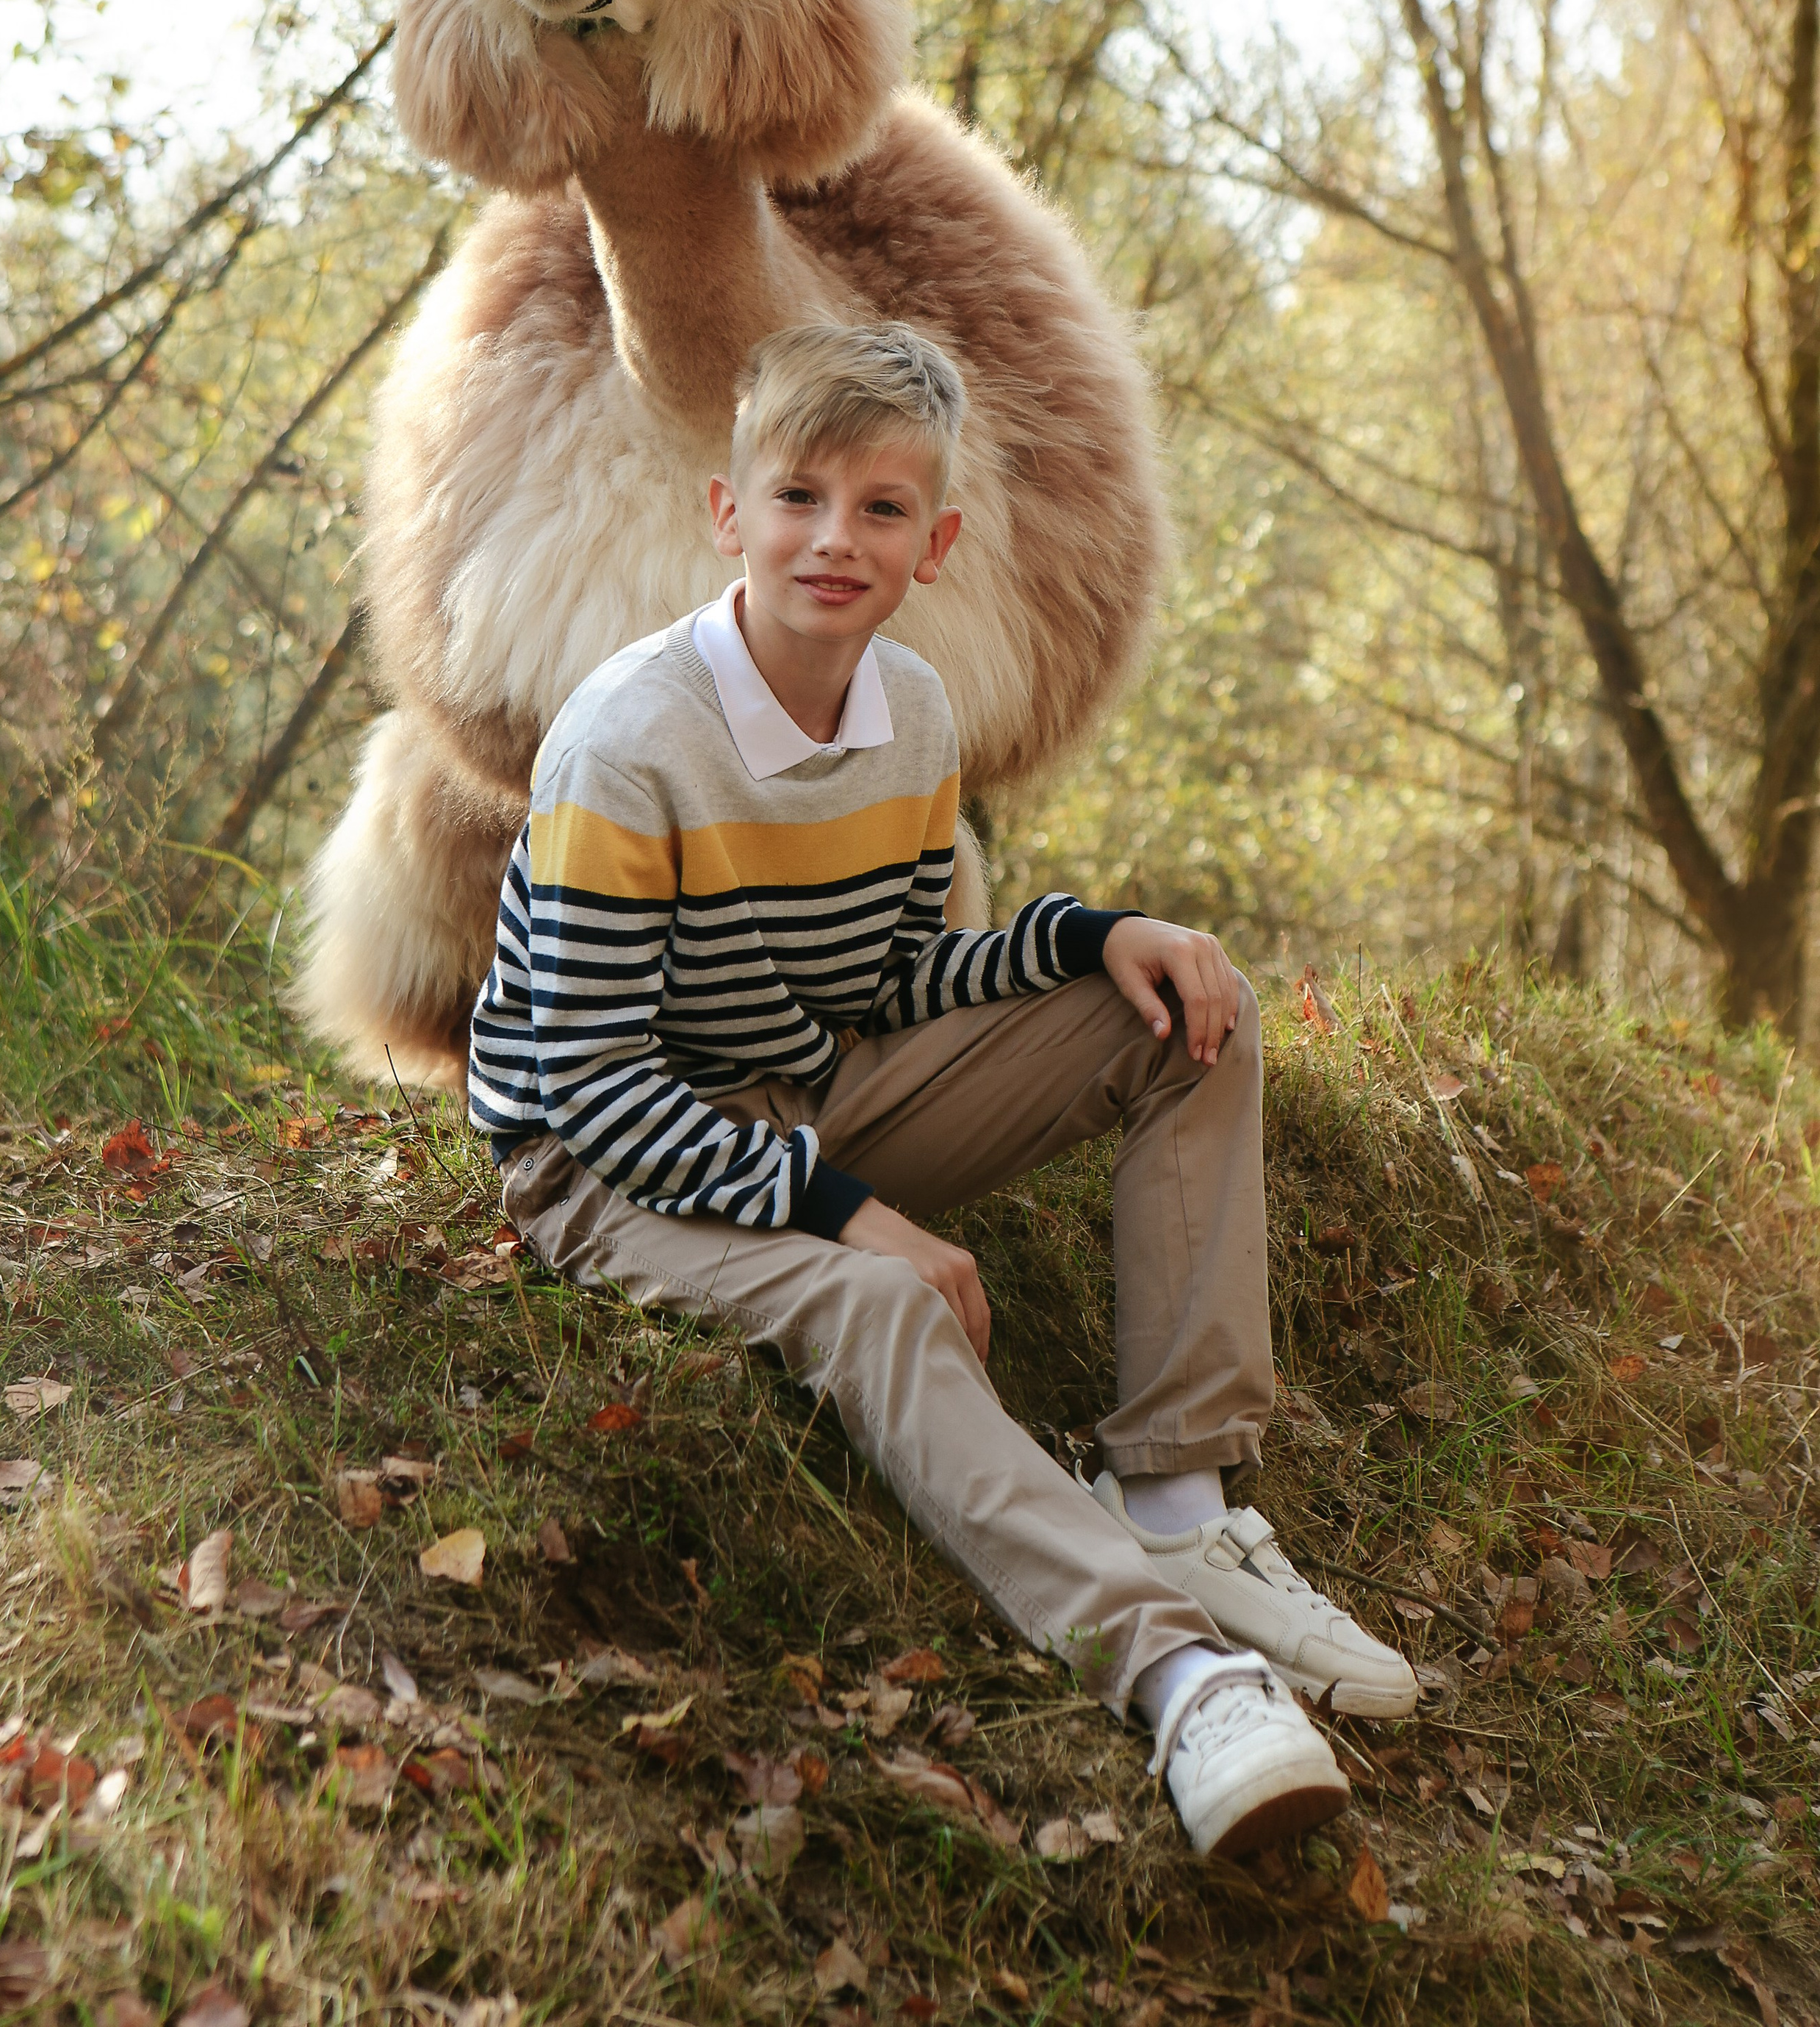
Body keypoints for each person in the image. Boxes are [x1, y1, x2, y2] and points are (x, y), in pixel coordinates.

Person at [471, 320, 1415, 1860]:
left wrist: (1101, 937)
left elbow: (891, 979)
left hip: (806, 1081)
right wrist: (852, 1221)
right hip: (598, 1160)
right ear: (729, 512)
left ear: (936, 540)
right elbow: (583, 1081)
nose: (834, 538)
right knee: (883, 1304)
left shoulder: (909, 714)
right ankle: (1179, 1676)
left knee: (1194, 1014)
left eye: (882, 508)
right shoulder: (627, 746)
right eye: (797, 496)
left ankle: (1175, 1503)